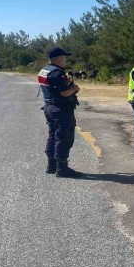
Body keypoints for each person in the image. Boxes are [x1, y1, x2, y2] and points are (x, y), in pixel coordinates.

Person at [38, 47, 83, 178]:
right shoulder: (57, 73)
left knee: (53, 135)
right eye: (64, 57)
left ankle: (51, 165)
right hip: (60, 109)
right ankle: (62, 168)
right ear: (57, 58)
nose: (65, 60)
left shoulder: (44, 70)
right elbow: (64, 93)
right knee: (63, 137)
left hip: (49, 107)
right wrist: (74, 88)